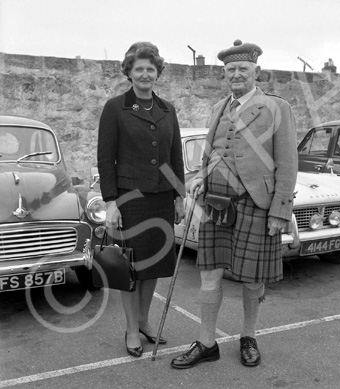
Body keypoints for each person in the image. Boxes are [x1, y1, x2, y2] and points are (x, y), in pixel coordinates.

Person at [171, 40, 298, 369]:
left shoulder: (276, 108)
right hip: (216, 203)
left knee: (253, 279)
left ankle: (248, 336)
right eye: (230, 70)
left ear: (256, 71)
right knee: (209, 275)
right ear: (224, 74)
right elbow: (212, 151)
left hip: (256, 205)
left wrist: (280, 211)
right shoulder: (218, 108)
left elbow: (287, 164)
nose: (236, 74)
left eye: (243, 69)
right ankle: (207, 341)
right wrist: (200, 175)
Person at [97, 42, 185, 358]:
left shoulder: (167, 109)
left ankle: (145, 321)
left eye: (150, 68)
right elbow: (105, 159)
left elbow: (174, 157)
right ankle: (131, 329)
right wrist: (110, 203)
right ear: (129, 73)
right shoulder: (115, 108)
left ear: (157, 72)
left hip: (161, 199)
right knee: (129, 269)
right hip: (129, 201)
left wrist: (179, 196)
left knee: (154, 267)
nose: (145, 74)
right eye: (139, 69)